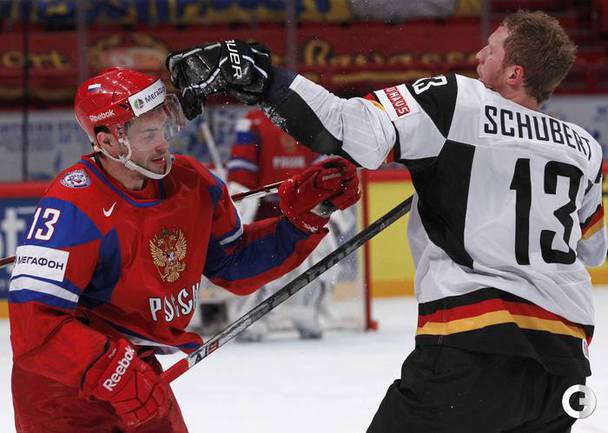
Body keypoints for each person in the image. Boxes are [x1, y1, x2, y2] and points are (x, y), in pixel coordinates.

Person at [166, 11, 607, 433]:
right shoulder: (583, 148)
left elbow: (352, 128)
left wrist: (263, 78)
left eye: (490, 50)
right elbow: (592, 249)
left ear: (514, 73)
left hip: (475, 348)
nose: (477, 56)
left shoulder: (456, 101)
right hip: (564, 365)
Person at [7, 67, 359, 433]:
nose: (163, 144)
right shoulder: (72, 203)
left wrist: (305, 220)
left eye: (162, 128)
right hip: (62, 388)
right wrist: (111, 371)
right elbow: (35, 325)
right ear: (108, 141)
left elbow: (234, 263)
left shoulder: (191, 183)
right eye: (148, 134)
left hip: (136, 370)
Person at [226, 109, 342, 340]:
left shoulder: (310, 117)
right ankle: (253, 314)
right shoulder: (256, 122)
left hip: (303, 213)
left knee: (319, 249)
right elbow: (241, 185)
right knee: (261, 257)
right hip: (268, 215)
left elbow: (326, 175)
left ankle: (306, 311)